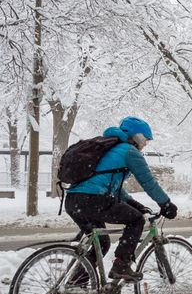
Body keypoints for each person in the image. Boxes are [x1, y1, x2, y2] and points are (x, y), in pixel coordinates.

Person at [64, 116, 178, 282]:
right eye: (146, 139)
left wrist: (132, 203)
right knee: (136, 221)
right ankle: (121, 265)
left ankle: (75, 287)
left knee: (101, 244)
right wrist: (165, 203)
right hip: (93, 200)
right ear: (138, 137)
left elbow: (111, 184)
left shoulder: (109, 148)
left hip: (74, 201)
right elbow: (148, 182)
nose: (146, 144)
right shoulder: (130, 152)